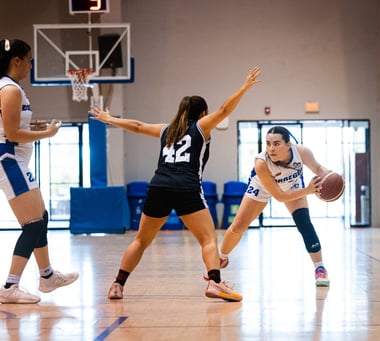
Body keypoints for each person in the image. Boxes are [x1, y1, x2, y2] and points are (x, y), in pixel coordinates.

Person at [89, 67, 261, 301]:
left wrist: (111, 119)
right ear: (202, 112)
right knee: (208, 239)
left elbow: (138, 126)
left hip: (158, 187)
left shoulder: (166, 131)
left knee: (141, 240)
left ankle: (117, 284)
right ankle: (215, 283)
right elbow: (224, 110)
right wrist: (244, 88)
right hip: (186, 187)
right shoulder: (201, 127)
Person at [0, 39, 79, 304]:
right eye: (28, 60)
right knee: (33, 224)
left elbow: (12, 128)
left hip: (13, 158)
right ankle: (9, 287)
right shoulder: (10, 90)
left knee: (41, 217)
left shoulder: (9, 88)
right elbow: (13, 133)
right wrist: (46, 133)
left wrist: (35, 127)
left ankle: (47, 276)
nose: (30, 65)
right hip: (7, 159)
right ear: (16, 60)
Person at [217, 126, 331, 286]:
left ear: (288, 145)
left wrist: (331, 175)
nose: (271, 148)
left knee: (304, 223)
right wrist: (308, 190)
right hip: (262, 187)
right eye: (268, 143)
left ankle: (320, 269)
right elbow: (279, 196)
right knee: (238, 226)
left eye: (276, 143)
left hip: (292, 184)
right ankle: (221, 257)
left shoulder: (301, 152)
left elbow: (318, 168)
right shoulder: (261, 163)